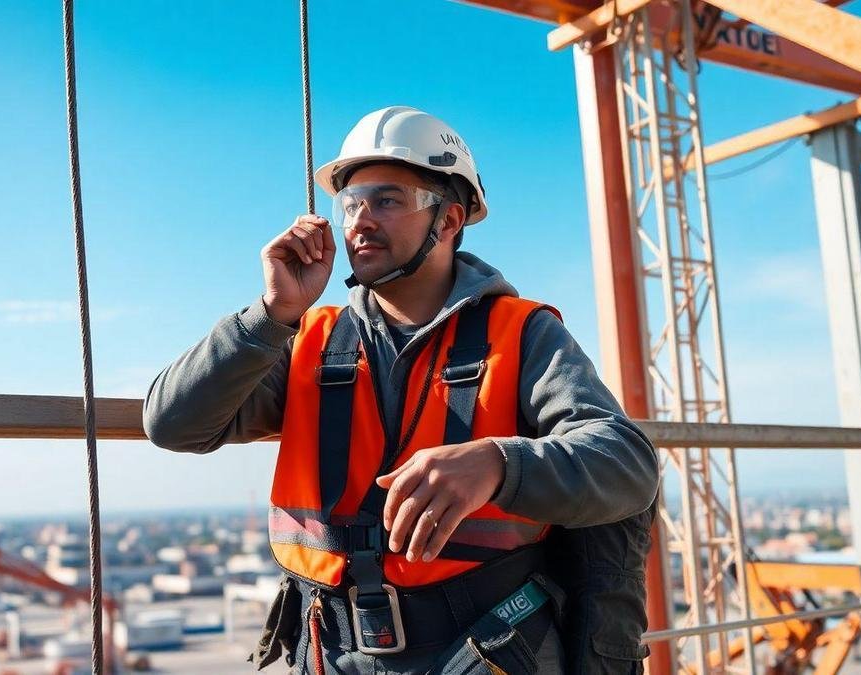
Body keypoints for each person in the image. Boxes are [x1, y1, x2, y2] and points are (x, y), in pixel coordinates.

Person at [144, 106, 659, 674]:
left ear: (449, 221)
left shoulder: (521, 333)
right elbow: (173, 424)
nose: (361, 220)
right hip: (331, 650)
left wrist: (497, 464)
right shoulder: (307, 339)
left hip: (485, 648)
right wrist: (271, 314)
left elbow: (626, 462)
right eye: (351, 203)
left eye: (387, 200)